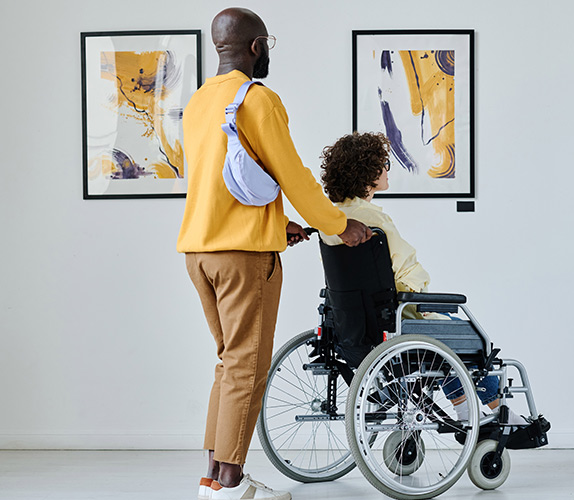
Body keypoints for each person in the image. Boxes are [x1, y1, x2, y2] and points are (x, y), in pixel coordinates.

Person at [176, 8, 371, 500]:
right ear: (257, 47)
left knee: (228, 363)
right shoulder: (257, 100)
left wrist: (275, 224)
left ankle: (211, 480)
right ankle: (232, 486)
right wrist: (339, 224)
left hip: (199, 251)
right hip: (243, 259)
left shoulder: (200, 102)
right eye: (269, 45)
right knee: (246, 367)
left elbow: (217, 182)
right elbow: (295, 175)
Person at [318, 131, 529, 425]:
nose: (386, 170)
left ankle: (460, 407)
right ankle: (496, 413)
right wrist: (426, 303)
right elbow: (407, 272)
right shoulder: (375, 221)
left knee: (445, 338)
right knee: (470, 338)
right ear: (368, 172)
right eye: (384, 164)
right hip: (393, 320)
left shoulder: (333, 222)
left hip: (351, 328)